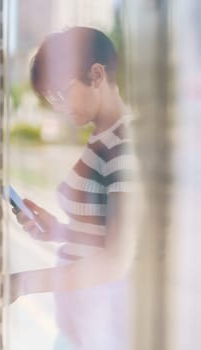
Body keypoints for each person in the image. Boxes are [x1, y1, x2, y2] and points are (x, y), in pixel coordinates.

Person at [9, 27, 139, 350]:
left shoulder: (124, 145)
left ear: (97, 75)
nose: (58, 106)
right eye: (51, 98)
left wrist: (22, 283)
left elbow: (117, 260)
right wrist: (60, 232)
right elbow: (106, 235)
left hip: (104, 331)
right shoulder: (102, 136)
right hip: (80, 327)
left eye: (61, 93)